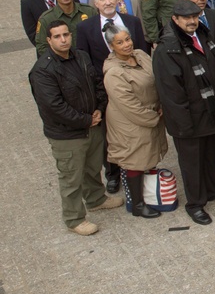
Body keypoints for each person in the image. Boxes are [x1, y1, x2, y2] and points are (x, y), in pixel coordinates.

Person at [29, 21, 122, 235]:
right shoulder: (43, 70)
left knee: (92, 168)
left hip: (92, 124)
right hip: (67, 134)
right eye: (57, 36)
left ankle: (96, 199)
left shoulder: (81, 56)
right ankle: (74, 218)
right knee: (71, 177)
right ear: (49, 40)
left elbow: (97, 83)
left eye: (66, 35)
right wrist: (85, 120)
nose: (63, 40)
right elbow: (54, 106)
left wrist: (99, 108)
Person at [152, 0, 215, 226]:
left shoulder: (203, 36)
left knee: (209, 156)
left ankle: (212, 189)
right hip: (188, 117)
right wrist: (183, 124)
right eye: (186, 18)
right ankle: (195, 203)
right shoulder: (167, 48)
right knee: (192, 163)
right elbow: (171, 93)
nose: (192, 21)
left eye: (195, 16)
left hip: (210, 110)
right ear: (175, 20)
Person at [102, 25, 165, 219]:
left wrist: (161, 103)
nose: (127, 45)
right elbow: (129, 106)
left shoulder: (140, 55)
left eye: (127, 39)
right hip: (130, 123)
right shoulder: (113, 73)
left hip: (149, 114)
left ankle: (146, 194)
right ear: (111, 46)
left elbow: (157, 78)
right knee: (134, 161)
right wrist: (154, 117)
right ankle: (137, 204)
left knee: (147, 156)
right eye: (119, 42)